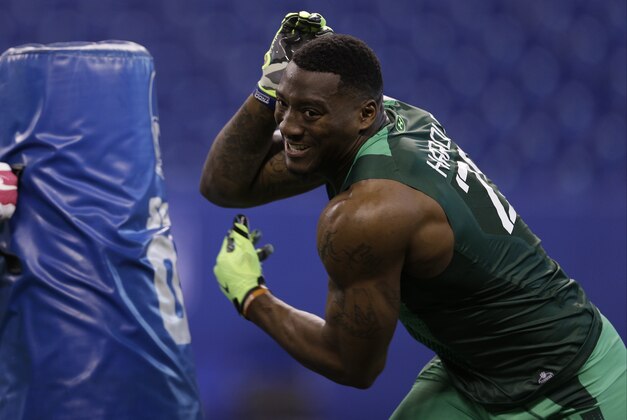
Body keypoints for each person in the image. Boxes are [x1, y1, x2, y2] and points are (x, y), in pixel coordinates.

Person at [200, 12, 627, 419]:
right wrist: (266, 88)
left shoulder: (368, 213)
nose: (289, 126)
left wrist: (251, 297)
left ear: (364, 115)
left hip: (569, 386)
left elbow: (352, 365)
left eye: (309, 112)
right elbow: (225, 185)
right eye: (283, 105)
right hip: (474, 373)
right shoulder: (389, 118)